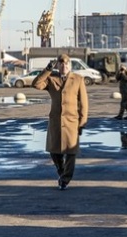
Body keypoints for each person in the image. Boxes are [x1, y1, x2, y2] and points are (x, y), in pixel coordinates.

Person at [32, 54, 88, 191]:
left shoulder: (78, 79)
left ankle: (65, 179)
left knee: (71, 153)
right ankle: (61, 170)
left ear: (70, 65)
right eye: (61, 64)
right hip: (56, 122)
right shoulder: (52, 78)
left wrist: (82, 122)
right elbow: (36, 84)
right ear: (58, 65)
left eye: (67, 64)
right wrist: (48, 69)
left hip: (72, 122)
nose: (64, 66)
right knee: (53, 151)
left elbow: (84, 104)